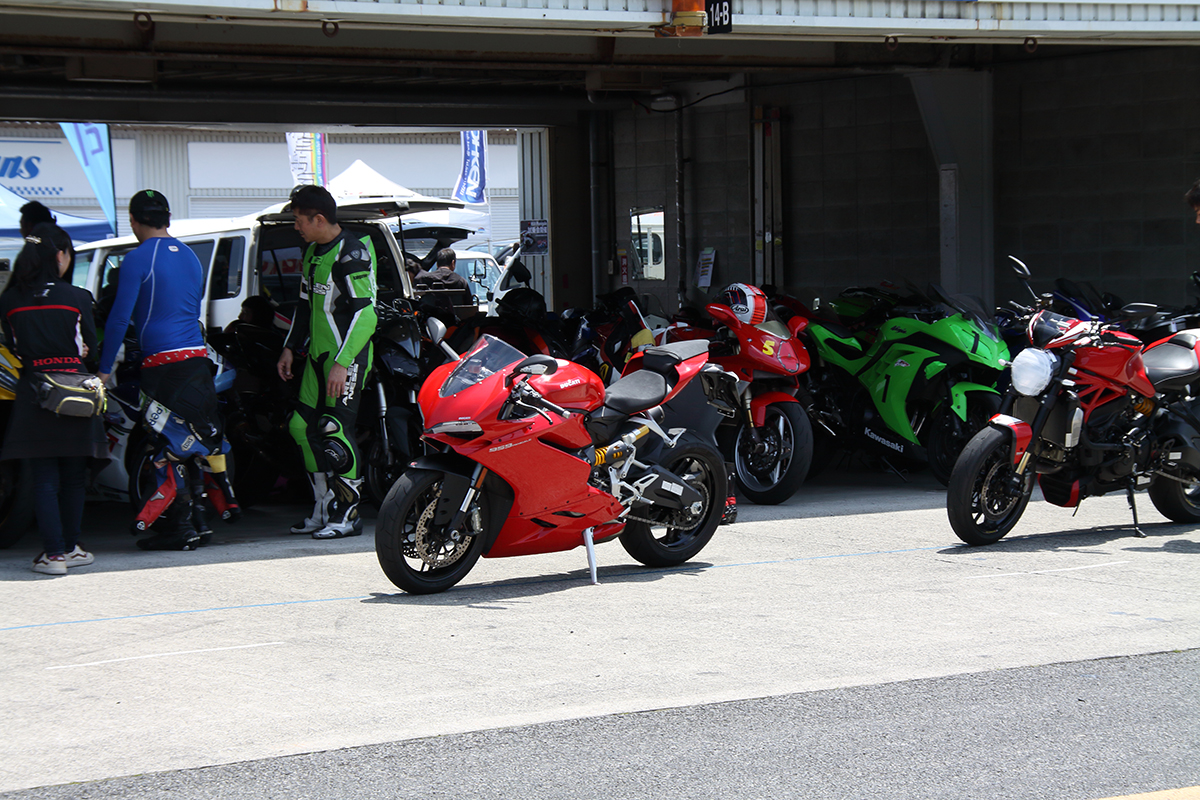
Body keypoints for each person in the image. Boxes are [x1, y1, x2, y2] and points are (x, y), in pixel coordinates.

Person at [97, 190, 240, 551]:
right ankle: (199, 522)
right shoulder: (190, 256)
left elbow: (119, 319)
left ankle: (180, 528)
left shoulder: (137, 258)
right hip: (197, 360)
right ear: (168, 218)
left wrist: (103, 369)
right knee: (191, 441)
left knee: (166, 442)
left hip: (162, 364)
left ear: (133, 221)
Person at [0, 223, 106, 575]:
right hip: (75, 388)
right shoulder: (77, 296)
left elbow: (14, 346)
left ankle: (54, 555)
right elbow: (90, 347)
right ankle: (71, 548)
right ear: (60, 255)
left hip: (35, 390)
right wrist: (77, 352)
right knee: (74, 475)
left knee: (44, 475)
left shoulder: (10, 300)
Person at [276, 185, 377, 539]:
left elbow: (366, 315)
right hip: (317, 357)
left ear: (319, 219)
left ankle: (348, 514)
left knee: (334, 430)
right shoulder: (312, 252)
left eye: (299, 220)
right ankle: (323, 508)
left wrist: (342, 362)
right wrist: (290, 347)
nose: (296, 227)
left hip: (345, 358)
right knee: (300, 426)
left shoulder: (352, 253)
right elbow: (305, 306)